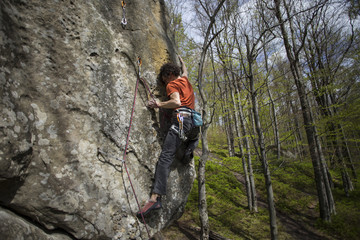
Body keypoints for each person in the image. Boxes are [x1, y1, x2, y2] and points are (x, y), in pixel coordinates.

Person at [136, 56, 199, 218]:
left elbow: (176, 102)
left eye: (164, 78)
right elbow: (185, 71)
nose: (164, 83)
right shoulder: (184, 80)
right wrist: (182, 62)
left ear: (169, 74)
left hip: (181, 119)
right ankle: (188, 150)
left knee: (165, 157)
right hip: (194, 123)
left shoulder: (173, 84)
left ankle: (155, 198)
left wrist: (158, 104)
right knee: (190, 139)